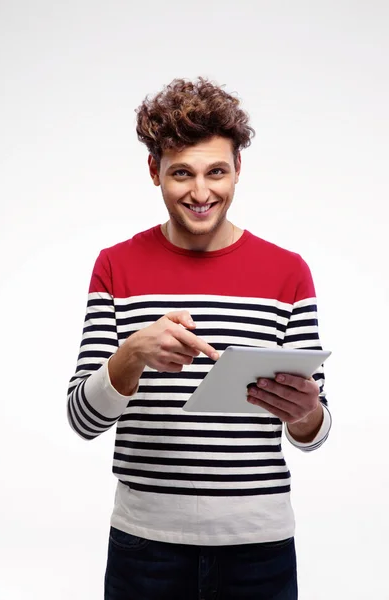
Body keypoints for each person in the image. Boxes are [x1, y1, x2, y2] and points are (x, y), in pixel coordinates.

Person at [67, 76, 332, 600]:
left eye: (216, 172)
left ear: (238, 170)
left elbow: (317, 432)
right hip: (146, 548)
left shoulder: (289, 272)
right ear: (154, 171)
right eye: (181, 174)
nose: (201, 193)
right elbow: (82, 419)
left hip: (260, 546)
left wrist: (305, 413)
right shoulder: (115, 265)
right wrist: (132, 354)